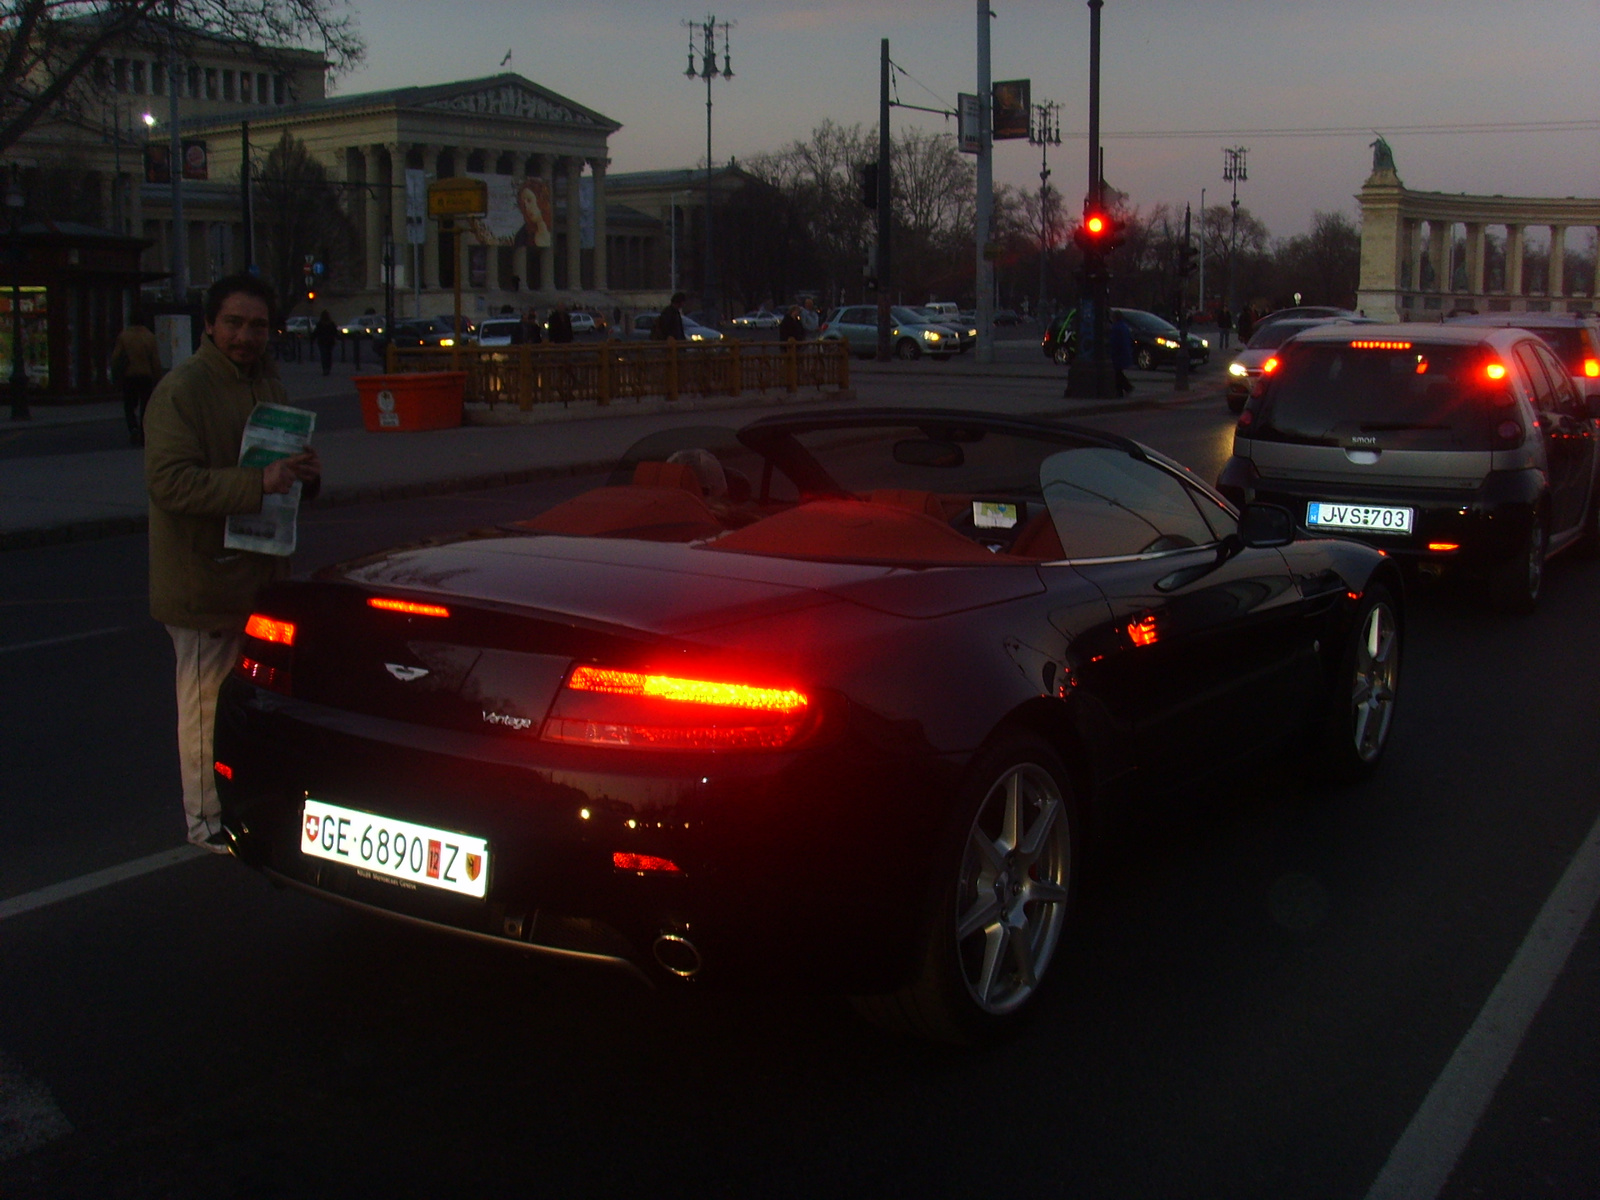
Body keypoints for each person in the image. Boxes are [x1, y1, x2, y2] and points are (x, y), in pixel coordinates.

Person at [144, 273, 322, 852]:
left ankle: (242, 800)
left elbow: (279, 471)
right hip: (203, 579)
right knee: (204, 705)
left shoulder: (265, 383)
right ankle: (205, 820)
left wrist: (303, 477)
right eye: (235, 324)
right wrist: (258, 482)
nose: (247, 335)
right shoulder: (183, 390)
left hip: (256, 571)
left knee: (246, 703)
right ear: (209, 325)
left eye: (258, 325)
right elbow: (170, 484)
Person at [110, 312, 162, 446]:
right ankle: (144, 431)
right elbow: (155, 360)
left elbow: (116, 357)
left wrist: (116, 374)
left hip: (129, 375)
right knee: (146, 405)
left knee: (129, 405)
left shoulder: (124, 336)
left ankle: (133, 427)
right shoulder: (149, 336)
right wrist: (157, 377)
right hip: (146, 375)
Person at [1109, 310, 1134, 397]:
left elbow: (1114, 342)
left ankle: (1124, 389)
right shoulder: (1124, 327)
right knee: (1118, 373)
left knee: (1117, 373)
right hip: (1124, 353)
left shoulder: (1116, 328)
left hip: (1118, 354)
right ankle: (1125, 388)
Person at [312, 310, 338, 376]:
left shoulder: (320, 324)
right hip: (330, 342)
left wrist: (312, 338)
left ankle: (325, 369)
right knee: (329, 355)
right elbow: (335, 333)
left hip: (322, 341)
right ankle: (328, 368)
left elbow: (316, 333)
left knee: (323, 355)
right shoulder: (331, 324)